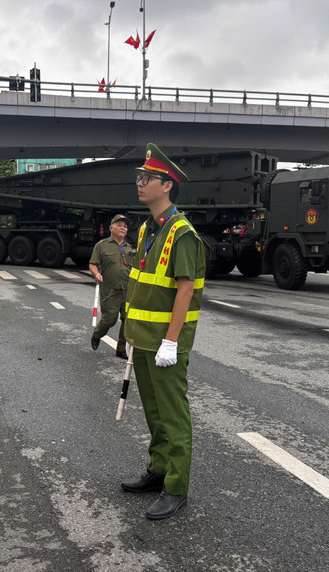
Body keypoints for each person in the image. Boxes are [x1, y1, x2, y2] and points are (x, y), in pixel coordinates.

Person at [121, 143, 206, 521]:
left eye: (148, 178)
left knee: (173, 415)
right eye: (140, 177)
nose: (140, 183)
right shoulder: (145, 230)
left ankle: (176, 486)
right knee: (154, 412)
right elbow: (141, 284)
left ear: (167, 185)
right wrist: (129, 332)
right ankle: (158, 471)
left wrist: (171, 340)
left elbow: (185, 289)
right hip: (143, 338)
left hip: (166, 342)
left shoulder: (181, 233)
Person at [89, 214, 134, 359]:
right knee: (110, 319)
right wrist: (96, 274)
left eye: (125, 226)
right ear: (111, 228)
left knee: (128, 320)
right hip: (110, 291)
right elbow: (93, 264)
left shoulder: (129, 248)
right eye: (119, 225)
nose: (122, 228)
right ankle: (97, 334)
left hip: (127, 290)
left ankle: (121, 349)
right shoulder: (101, 245)